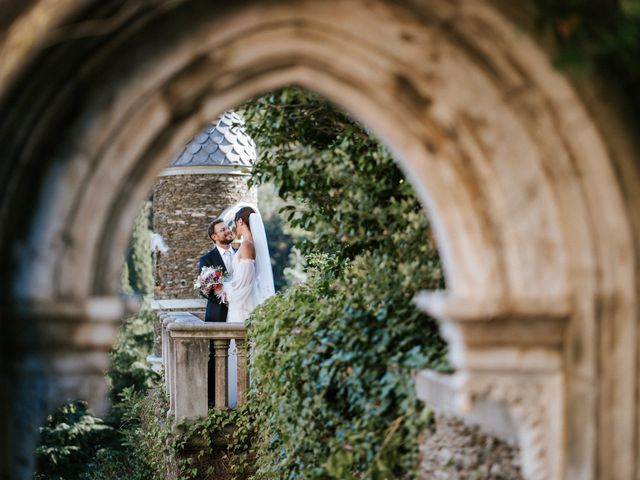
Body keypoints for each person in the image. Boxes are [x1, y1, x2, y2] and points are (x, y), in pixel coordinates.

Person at [223, 205, 275, 406]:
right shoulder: (247, 244)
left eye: (234, 223)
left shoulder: (246, 246)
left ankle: (242, 402)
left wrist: (224, 292)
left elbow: (244, 284)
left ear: (240, 222)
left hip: (242, 308)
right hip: (240, 306)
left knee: (241, 355)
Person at [198, 218, 235, 406]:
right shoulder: (207, 260)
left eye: (227, 228)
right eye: (223, 230)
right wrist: (224, 298)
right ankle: (212, 399)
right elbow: (204, 290)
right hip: (218, 313)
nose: (228, 231)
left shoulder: (240, 254)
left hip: (240, 311)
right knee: (216, 355)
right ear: (214, 237)